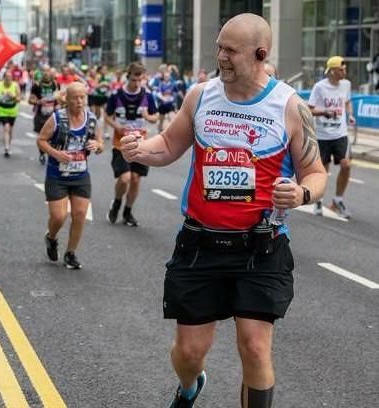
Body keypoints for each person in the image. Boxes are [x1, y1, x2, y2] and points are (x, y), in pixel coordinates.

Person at [121, 14, 326, 407]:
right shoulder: (201, 95)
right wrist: (140, 150)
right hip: (200, 244)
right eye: (219, 47)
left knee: (254, 347)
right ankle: (189, 385)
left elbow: (315, 172)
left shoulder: (289, 106)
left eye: (230, 50)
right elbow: (168, 145)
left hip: (260, 248)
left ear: (261, 54)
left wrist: (300, 194)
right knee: (188, 354)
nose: (221, 57)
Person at [37, 82, 104, 269]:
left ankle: (70, 253)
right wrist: (57, 154)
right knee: (59, 216)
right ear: (67, 99)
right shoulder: (57, 118)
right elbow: (41, 140)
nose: (80, 101)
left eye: (83, 97)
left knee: (80, 214)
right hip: (57, 174)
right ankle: (51, 238)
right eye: (76, 97)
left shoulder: (91, 119)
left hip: (80, 174)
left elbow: (100, 144)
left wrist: (97, 146)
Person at [104, 62, 158, 227]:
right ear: (128, 77)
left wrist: (148, 117)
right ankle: (117, 202)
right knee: (125, 178)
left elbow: (155, 117)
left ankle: (128, 211)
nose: (137, 83)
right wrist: (116, 127)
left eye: (140, 80)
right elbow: (106, 116)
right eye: (134, 79)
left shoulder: (147, 96)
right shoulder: (117, 95)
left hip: (140, 144)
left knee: (135, 179)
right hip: (120, 144)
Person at [308, 56, 356, 218]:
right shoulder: (319, 87)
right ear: (332, 70)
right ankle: (319, 200)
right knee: (323, 170)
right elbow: (309, 109)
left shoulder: (346, 85)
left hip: (340, 134)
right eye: (342, 69)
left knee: (346, 165)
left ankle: (337, 201)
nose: (344, 72)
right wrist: (324, 112)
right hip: (323, 136)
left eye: (345, 69)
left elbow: (347, 101)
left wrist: (350, 114)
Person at [30, 71, 60, 164]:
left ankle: (52, 152)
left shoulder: (55, 84)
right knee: (41, 136)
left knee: (53, 135)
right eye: (45, 72)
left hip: (52, 114)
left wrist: (59, 101)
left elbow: (59, 97)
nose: (46, 74)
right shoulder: (37, 86)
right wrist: (38, 102)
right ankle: (42, 153)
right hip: (40, 114)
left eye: (48, 72)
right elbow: (30, 100)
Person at [0, 71, 21, 157]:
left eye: (10, 77)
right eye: (7, 77)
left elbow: (19, 98)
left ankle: (8, 145)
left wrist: (12, 96)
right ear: (4, 78)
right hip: (1, 109)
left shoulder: (15, 85)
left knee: (10, 130)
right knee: (6, 128)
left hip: (12, 110)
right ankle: (6, 147)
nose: (8, 79)